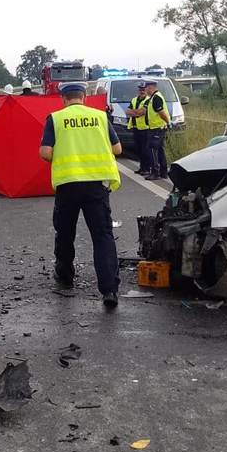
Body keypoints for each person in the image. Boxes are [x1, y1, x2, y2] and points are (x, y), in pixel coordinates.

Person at [39, 81, 122, 309]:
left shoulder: (56, 119)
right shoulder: (100, 117)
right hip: (97, 185)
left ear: (64, 99)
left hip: (68, 184)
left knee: (65, 232)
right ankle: (109, 290)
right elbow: (117, 149)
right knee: (102, 235)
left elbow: (45, 152)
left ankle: (65, 276)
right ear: (84, 97)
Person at [135, 78, 170, 178]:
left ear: (151, 87)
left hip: (157, 128)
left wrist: (168, 122)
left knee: (153, 150)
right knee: (160, 150)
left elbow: (162, 113)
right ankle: (163, 172)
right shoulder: (154, 97)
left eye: (146, 88)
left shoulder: (156, 98)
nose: (145, 90)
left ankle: (155, 172)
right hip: (157, 128)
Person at [126, 80, 151, 175]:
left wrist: (134, 112)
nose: (142, 91)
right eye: (140, 89)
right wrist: (136, 113)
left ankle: (147, 168)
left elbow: (142, 112)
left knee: (145, 150)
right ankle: (142, 168)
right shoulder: (134, 99)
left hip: (145, 128)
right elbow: (127, 111)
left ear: (146, 90)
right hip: (136, 128)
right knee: (139, 149)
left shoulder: (148, 100)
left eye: (143, 89)